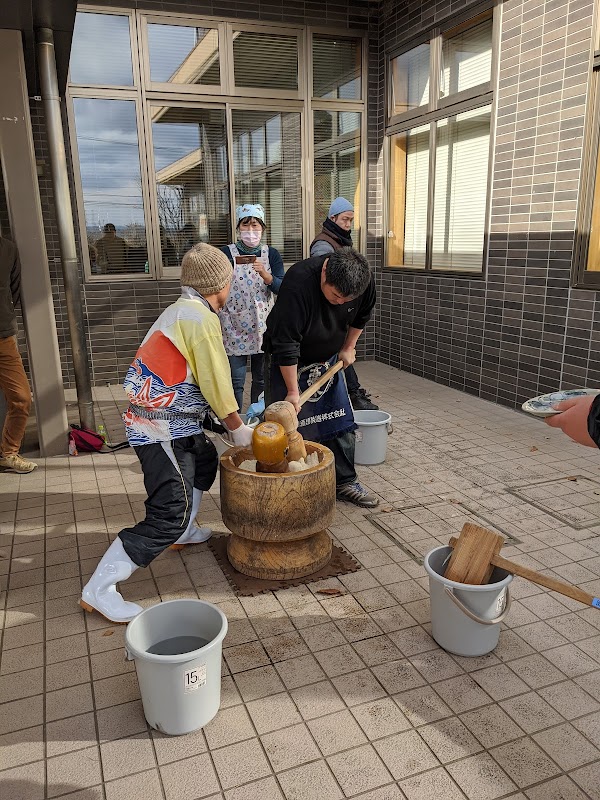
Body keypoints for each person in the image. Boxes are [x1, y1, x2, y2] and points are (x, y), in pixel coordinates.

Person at [80, 243, 254, 623]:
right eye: (229, 282)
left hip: (174, 421)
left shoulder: (181, 311)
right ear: (219, 285)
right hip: (158, 428)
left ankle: (185, 531)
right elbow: (215, 380)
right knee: (168, 510)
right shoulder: (200, 320)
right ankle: (101, 587)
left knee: (204, 460)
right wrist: (236, 426)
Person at [263, 247, 379, 508]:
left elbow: (362, 314)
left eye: (347, 299)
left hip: (328, 359)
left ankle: (345, 481)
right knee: (286, 427)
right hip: (289, 359)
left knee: (337, 420)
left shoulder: (362, 281)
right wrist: (293, 391)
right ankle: (287, 486)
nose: (341, 303)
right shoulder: (299, 282)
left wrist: (348, 347)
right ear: (325, 271)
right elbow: (286, 342)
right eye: (336, 296)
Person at [310, 197, 379, 412]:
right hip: (326, 310)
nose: (348, 225)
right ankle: (351, 394)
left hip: (337, 309)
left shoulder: (340, 240)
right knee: (338, 351)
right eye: (345, 220)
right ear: (333, 217)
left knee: (342, 352)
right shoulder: (323, 244)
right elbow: (332, 276)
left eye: (351, 221)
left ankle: (349, 394)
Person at [219, 203, 284, 412]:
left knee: (261, 379)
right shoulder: (226, 253)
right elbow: (216, 284)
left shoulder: (271, 254)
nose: (250, 231)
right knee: (236, 379)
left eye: (255, 225)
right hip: (233, 325)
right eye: (245, 226)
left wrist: (267, 276)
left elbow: (282, 287)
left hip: (262, 327)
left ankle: (257, 417)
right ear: (238, 228)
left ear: (263, 228)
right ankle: (236, 421)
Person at [0, 236, 36, 473]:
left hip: (3, 336)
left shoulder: (8, 249)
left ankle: (8, 453)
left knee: (22, 398)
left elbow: (13, 290)